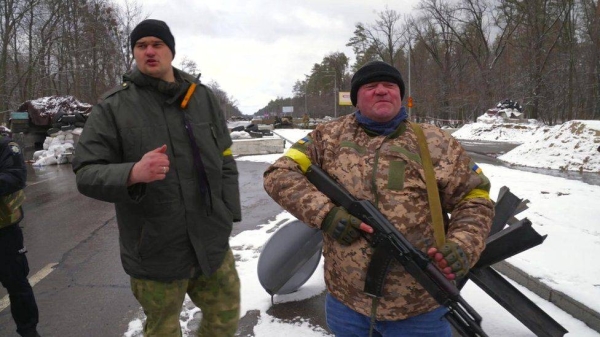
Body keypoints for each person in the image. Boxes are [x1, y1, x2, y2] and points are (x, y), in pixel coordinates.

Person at [263, 60, 494, 336]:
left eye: (390, 86)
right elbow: (278, 174)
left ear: (401, 96)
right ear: (356, 99)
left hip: (419, 306)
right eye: (371, 86)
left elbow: (474, 197)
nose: (382, 91)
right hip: (346, 304)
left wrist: (463, 245)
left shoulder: (437, 142)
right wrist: (325, 214)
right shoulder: (327, 138)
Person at [72, 19, 241, 337]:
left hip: (210, 241)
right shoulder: (113, 108)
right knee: (163, 330)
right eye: (141, 45)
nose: (149, 50)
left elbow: (225, 158)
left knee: (225, 316)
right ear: (134, 53)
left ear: (171, 51)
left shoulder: (201, 98)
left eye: (157, 44)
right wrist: (133, 173)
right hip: (154, 250)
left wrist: (227, 214)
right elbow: (85, 172)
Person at [0, 130, 41, 337]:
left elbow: (15, 176)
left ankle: (28, 332)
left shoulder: (6, 147)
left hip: (4, 232)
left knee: (17, 285)